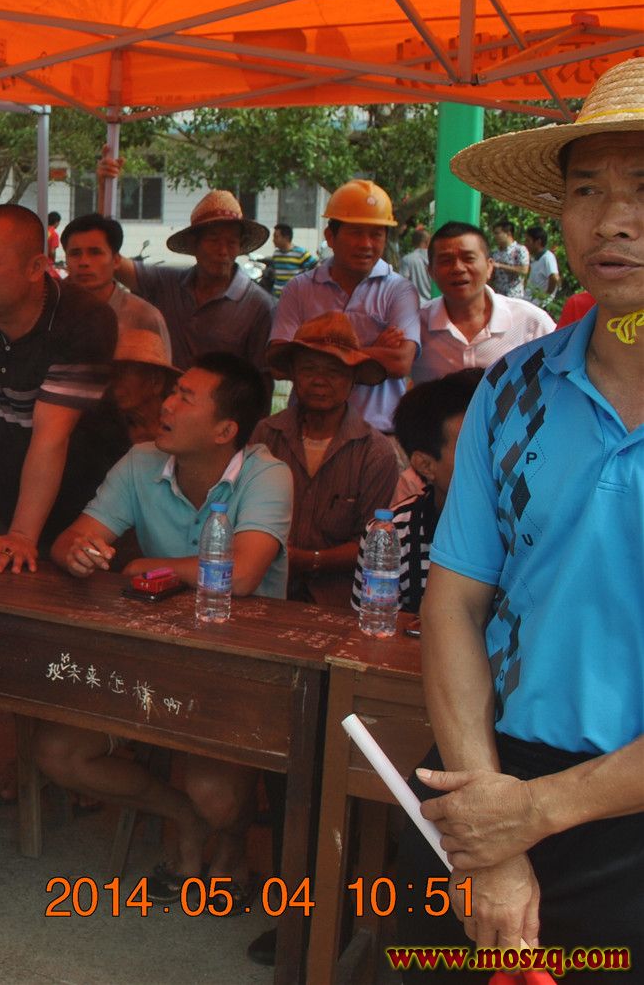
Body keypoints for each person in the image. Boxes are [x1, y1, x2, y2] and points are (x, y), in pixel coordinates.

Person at [391, 57, 644, 969]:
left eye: (642, 187)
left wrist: (527, 817)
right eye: (586, 190)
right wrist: (490, 820)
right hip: (485, 772)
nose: (612, 219)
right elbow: (453, 599)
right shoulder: (514, 386)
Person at [48, 354, 291, 895]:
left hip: (239, 668)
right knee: (60, 754)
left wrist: (152, 566)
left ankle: (229, 844)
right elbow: (69, 540)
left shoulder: (267, 473)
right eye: (173, 392)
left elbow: (241, 574)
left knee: (217, 794)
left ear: (225, 431)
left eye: (185, 398)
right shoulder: (140, 461)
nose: (167, 404)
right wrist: (79, 554)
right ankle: (184, 817)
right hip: (153, 657)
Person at [0, 204, 123, 572]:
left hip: (92, 517)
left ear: (36, 267)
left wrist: (23, 535)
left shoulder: (83, 318)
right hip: (10, 508)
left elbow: (51, 436)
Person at [251, 312, 401, 606]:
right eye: (309, 369)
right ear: (293, 374)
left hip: (338, 603)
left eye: (334, 371)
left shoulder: (376, 451)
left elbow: (375, 542)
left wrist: (310, 560)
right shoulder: (266, 434)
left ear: (353, 379)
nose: (320, 381)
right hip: (265, 591)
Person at [271, 180, 420, 432]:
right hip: (307, 430)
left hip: (379, 433)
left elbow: (400, 363)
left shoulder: (400, 291)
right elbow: (278, 361)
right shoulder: (299, 289)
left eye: (376, 234)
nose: (366, 244)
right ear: (330, 237)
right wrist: (371, 351)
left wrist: (312, 351)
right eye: (355, 233)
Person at [351, 369, 480, 616]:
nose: (492, 455)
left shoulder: (526, 528)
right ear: (425, 465)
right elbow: (375, 628)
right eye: (472, 446)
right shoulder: (393, 533)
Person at [114, 189, 274, 370]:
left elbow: (261, 378)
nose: (223, 251)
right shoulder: (169, 285)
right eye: (213, 240)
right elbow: (116, 264)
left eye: (231, 242)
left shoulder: (259, 306)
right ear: (193, 243)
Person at [414, 222, 555, 383]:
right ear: (431, 272)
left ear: (489, 267)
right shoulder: (416, 325)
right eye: (446, 261)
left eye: (468, 258)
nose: (458, 268)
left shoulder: (531, 323)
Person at [61, 213, 172, 360]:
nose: (84, 262)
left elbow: (161, 372)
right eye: (75, 254)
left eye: (95, 252)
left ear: (116, 260)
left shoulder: (144, 317)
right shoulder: (51, 311)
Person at [106, 327, 180, 446]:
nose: (115, 379)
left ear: (157, 381)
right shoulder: (110, 429)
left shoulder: (180, 429)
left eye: (126, 370)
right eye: (114, 370)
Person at [264, 221, 318, 298]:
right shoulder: (276, 254)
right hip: (276, 296)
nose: (273, 240)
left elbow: (316, 267)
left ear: (286, 238)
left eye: (276, 237)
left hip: (293, 296)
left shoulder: (300, 253)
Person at [486, 218, 530, 299]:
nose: (495, 236)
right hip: (498, 296)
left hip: (514, 296)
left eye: (497, 233)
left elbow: (524, 270)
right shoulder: (495, 253)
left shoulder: (520, 250)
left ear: (508, 233)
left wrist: (500, 266)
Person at [522, 224, 561, 302]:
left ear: (538, 242)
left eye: (528, 241)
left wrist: (545, 297)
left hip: (539, 304)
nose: (525, 244)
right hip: (531, 301)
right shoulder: (535, 258)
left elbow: (554, 278)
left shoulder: (548, 257)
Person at [398, 224, 434, 301]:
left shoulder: (407, 259)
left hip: (414, 303)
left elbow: (401, 284)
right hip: (433, 303)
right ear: (428, 242)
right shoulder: (434, 259)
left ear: (412, 242)